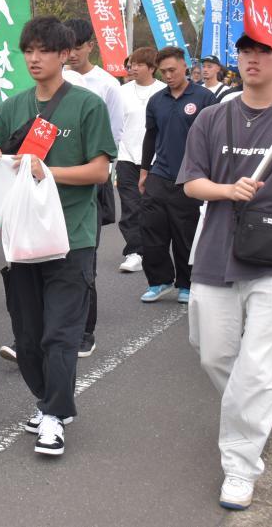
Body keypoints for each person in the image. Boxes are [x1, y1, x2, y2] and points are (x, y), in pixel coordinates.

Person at [179, 33, 272, 511]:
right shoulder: (212, 116)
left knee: (261, 366)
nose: (252, 60)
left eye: (263, 51)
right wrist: (227, 191)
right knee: (213, 355)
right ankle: (246, 416)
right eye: (246, 52)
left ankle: (241, 465)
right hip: (216, 252)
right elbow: (190, 183)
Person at [0, 16, 115, 457]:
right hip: (20, 238)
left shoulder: (86, 105)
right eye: (28, 51)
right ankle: (47, 401)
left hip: (71, 236)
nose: (34, 58)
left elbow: (99, 170)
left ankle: (55, 415)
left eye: (44, 51)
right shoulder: (13, 106)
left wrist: (47, 171)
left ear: (65, 55)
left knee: (61, 332)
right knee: (28, 332)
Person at [62, 18, 124, 357]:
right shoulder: (51, 82)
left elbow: (113, 135)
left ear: (90, 46)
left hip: (90, 179)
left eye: (76, 47)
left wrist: (98, 170)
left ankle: (86, 330)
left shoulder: (106, 85)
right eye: (65, 48)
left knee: (83, 258)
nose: (70, 54)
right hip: (50, 181)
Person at [138, 47, 218, 304]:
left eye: (173, 70)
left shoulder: (205, 98)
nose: (169, 75)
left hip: (191, 178)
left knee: (185, 233)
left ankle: (186, 283)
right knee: (152, 231)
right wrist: (144, 171)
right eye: (164, 72)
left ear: (185, 66)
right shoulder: (157, 100)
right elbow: (151, 136)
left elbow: (215, 140)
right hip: (159, 174)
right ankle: (159, 281)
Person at [115, 47, 166, 274]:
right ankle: (134, 251)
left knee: (152, 207)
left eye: (138, 64)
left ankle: (154, 248)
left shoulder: (164, 92)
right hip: (126, 157)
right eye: (131, 64)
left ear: (152, 68)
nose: (132, 68)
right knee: (130, 206)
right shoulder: (121, 92)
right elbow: (114, 125)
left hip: (156, 159)